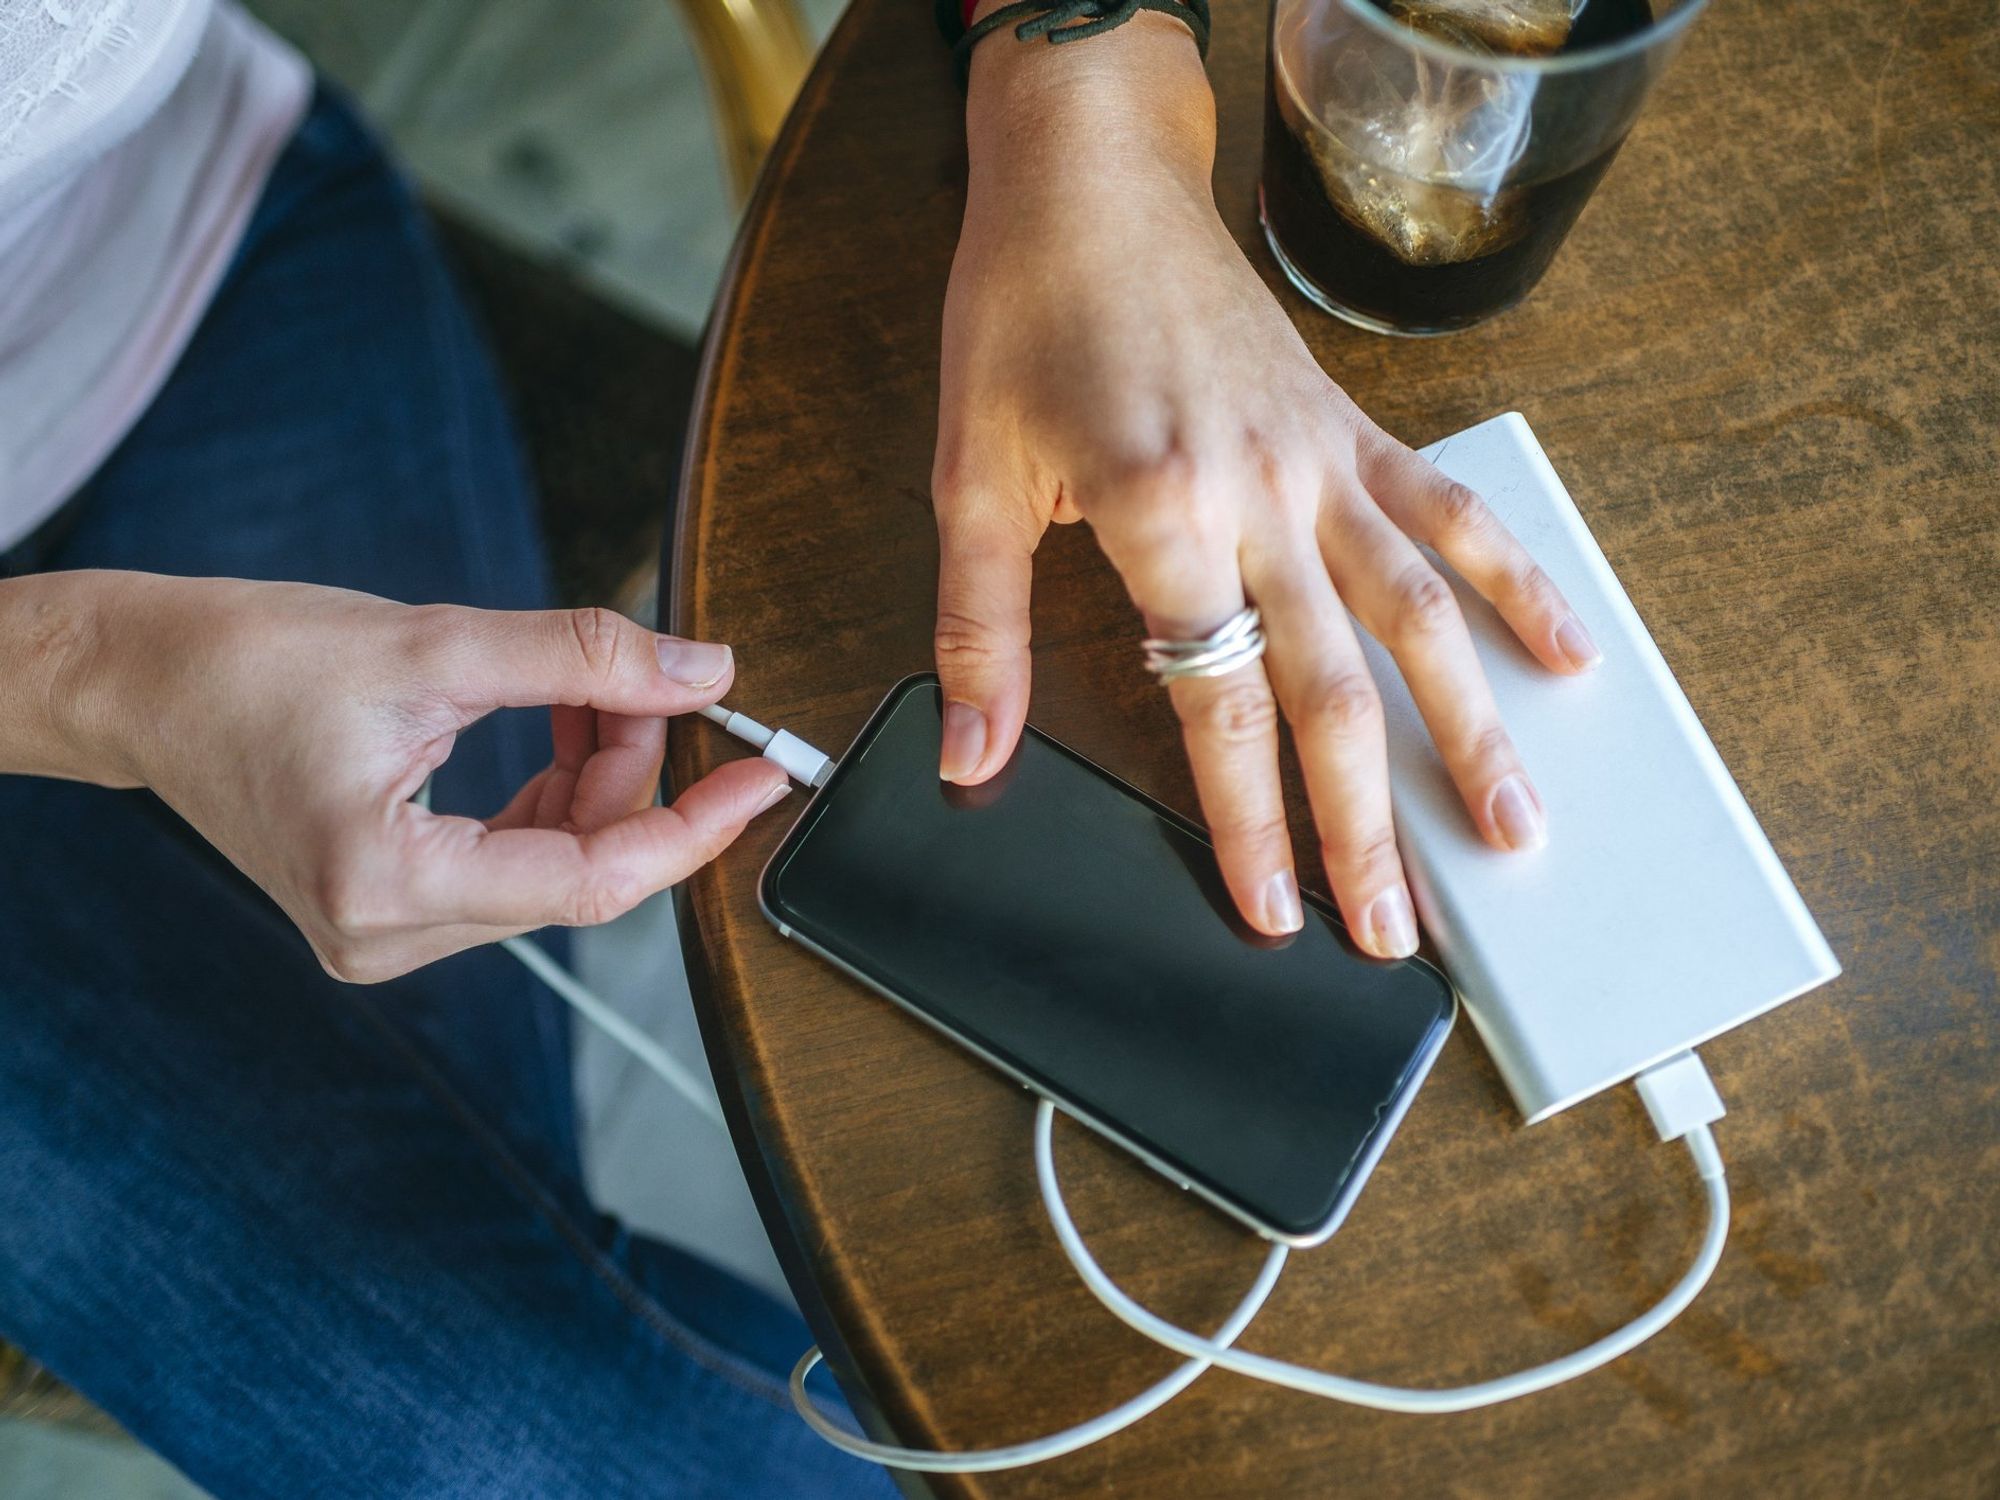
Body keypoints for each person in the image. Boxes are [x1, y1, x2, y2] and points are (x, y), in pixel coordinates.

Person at [0, 0, 1593, 1494]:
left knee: (472, 1260)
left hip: (173, 274)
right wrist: (89, 670)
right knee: (487, 1422)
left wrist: (1090, 117)